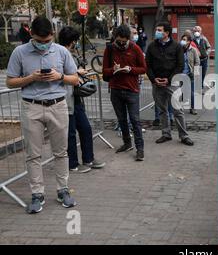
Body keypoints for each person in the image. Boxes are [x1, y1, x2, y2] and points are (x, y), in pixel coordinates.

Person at [6, 16, 79, 213]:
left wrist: (60, 76)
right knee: (33, 154)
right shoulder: (19, 52)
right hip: (32, 107)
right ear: (31, 35)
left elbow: (75, 79)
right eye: (40, 41)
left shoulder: (62, 51)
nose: (44, 45)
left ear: (53, 35)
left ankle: (63, 190)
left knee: (61, 152)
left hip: (58, 105)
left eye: (47, 41)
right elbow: (10, 81)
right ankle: (37, 193)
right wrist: (31, 78)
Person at [58, 26, 106, 173]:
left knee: (85, 128)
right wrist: (76, 72)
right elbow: (58, 74)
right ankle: (73, 164)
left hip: (76, 98)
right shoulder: (59, 53)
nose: (77, 44)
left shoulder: (69, 53)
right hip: (66, 99)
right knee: (71, 133)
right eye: (76, 41)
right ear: (72, 41)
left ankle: (88, 159)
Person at [102, 25, 147, 161]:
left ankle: (140, 148)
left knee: (135, 120)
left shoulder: (135, 48)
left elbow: (143, 68)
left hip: (131, 90)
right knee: (121, 119)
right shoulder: (110, 49)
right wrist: (113, 70)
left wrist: (131, 69)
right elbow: (104, 72)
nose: (121, 44)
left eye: (124, 41)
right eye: (119, 41)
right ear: (115, 38)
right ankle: (127, 143)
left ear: (129, 39)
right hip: (115, 89)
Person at [146, 21, 194, 146]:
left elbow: (180, 65)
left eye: (160, 30)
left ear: (167, 33)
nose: (157, 32)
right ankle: (165, 134)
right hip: (157, 83)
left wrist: (169, 78)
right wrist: (153, 79)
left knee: (178, 110)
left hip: (172, 83)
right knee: (162, 110)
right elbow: (148, 65)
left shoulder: (176, 46)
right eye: (157, 30)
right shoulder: (151, 46)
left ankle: (184, 136)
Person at [180, 33, 201, 115]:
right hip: (180, 74)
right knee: (181, 91)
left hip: (190, 73)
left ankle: (193, 108)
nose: (183, 41)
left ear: (189, 41)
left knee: (192, 92)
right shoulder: (179, 49)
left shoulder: (193, 50)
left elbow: (197, 62)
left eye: (185, 40)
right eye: (182, 39)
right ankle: (180, 107)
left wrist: (195, 73)